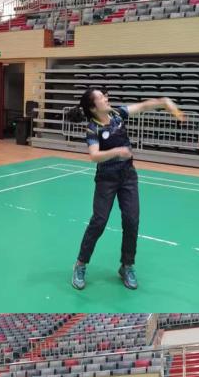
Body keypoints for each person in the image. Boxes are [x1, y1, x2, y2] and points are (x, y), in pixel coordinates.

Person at [67, 88, 185, 292]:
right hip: (106, 179)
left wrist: (163, 101)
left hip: (128, 176)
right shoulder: (93, 129)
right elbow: (94, 155)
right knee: (99, 222)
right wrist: (116, 151)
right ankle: (80, 264)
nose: (106, 98)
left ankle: (127, 266)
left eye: (105, 95)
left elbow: (143, 106)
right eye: (101, 97)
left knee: (131, 220)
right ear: (93, 107)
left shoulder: (117, 114)